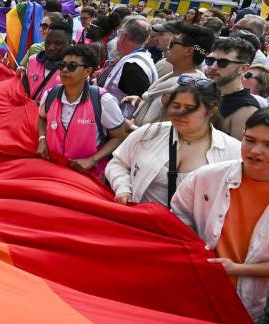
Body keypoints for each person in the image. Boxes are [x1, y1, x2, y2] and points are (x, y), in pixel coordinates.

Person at [171, 105, 269, 324]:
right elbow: (177, 215)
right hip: (190, 286)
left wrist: (236, 270)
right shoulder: (206, 177)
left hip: (244, 304)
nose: (255, 151)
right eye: (250, 140)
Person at [107, 77, 241, 206]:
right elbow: (118, 162)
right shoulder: (148, 132)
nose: (179, 113)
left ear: (211, 111)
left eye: (190, 108)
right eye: (176, 106)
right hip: (141, 223)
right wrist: (123, 188)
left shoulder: (233, 151)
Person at [36, 44, 128, 179]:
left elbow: (118, 137)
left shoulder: (103, 101)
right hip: (53, 170)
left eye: (72, 66)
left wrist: (92, 160)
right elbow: (42, 118)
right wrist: (42, 139)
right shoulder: (50, 95)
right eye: (62, 65)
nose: (65, 70)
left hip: (87, 175)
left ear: (87, 71)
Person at [128, 24, 210, 126]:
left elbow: (169, 132)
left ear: (188, 51)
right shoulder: (175, 76)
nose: (168, 47)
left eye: (173, 43)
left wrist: (129, 127)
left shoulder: (187, 89)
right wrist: (141, 104)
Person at [204, 36, 261, 140]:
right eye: (210, 60)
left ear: (243, 68)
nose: (212, 67)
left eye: (222, 63)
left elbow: (238, 152)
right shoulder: (201, 91)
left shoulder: (246, 109)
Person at [95, 17, 156, 113]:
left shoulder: (133, 67)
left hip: (117, 124)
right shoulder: (137, 58)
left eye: (119, 34)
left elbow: (140, 108)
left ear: (123, 36)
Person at [20, 17, 71, 102]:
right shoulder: (32, 61)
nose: (51, 47)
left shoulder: (75, 70)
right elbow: (24, 94)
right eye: (48, 42)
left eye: (58, 43)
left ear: (70, 43)